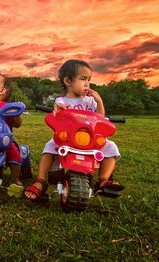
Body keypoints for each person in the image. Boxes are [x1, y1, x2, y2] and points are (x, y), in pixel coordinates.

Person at [24, 59, 124, 200]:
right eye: (83, 79)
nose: (87, 84)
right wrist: (59, 110)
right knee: (49, 146)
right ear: (68, 81)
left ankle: (103, 180)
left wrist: (99, 101)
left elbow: (100, 118)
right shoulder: (62, 102)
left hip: (90, 140)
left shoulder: (90, 101)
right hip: (68, 139)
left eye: (89, 79)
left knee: (111, 147)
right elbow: (57, 114)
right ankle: (40, 181)